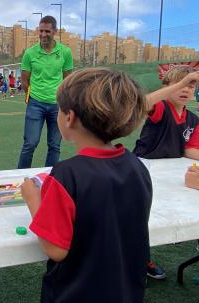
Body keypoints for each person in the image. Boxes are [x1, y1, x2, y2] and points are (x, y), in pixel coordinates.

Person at [21, 68, 152, 303]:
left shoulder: (66, 175)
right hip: (126, 292)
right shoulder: (136, 166)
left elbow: (55, 250)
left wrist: (32, 198)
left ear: (69, 117)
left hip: (76, 293)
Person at [133, 66, 199, 279]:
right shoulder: (161, 107)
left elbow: (190, 151)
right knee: (141, 218)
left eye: (191, 84)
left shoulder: (193, 119)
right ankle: (140, 259)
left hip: (171, 174)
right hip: (143, 170)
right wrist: (183, 80)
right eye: (180, 83)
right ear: (166, 87)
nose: (186, 89)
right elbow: (142, 104)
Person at [17, 15, 73, 168]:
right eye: (41, 31)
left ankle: (51, 178)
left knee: (55, 145)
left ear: (55, 31)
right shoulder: (30, 53)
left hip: (58, 106)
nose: (43, 35)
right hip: (36, 104)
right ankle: (21, 178)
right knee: (30, 143)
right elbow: (24, 80)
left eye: (47, 31)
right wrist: (33, 97)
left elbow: (68, 81)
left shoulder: (65, 52)